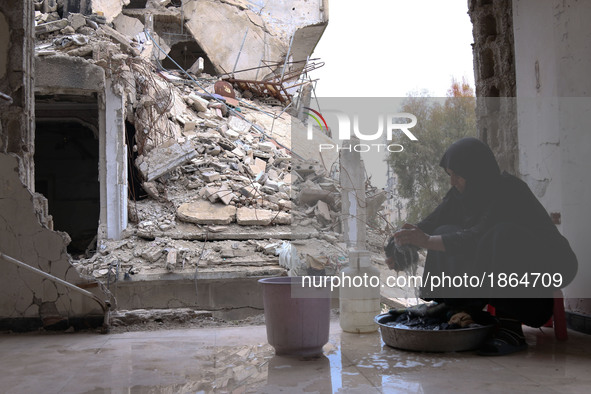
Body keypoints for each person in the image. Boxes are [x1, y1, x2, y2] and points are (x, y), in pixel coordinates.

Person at [385, 137, 577, 356]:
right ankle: (450, 306)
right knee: (444, 230)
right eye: (450, 175)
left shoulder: (509, 190)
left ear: (475, 172)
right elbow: (430, 225)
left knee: (501, 235)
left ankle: (511, 328)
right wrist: (399, 244)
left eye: (457, 175)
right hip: (506, 257)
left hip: (550, 264)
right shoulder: (461, 195)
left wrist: (426, 241)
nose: (452, 181)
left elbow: (475, 237)